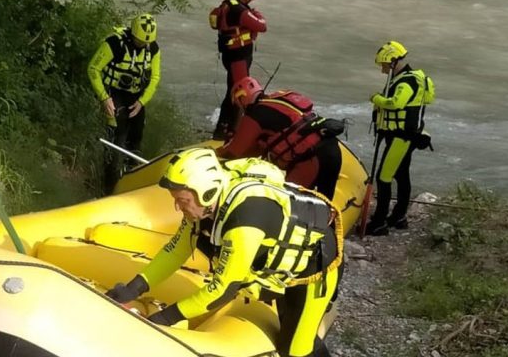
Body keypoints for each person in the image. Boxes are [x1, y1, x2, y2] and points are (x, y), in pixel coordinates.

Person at [106, 148, 341, 357]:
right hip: (279, 264)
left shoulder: (245, 221)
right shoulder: (204, 205)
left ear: (205, 193)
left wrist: (162, 319)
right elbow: (175, 251)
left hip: (314, 270)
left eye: (182, 200)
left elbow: (222, 289)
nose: (178, 207)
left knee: (295, 349)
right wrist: (133, 288)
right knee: (290, 328)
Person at [216, 76, 345, 201]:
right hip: (332, 149)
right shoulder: (278, 101)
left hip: (310, 159)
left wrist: (213, 152)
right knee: (326, 205)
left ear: (241, 100)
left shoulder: (255, 114)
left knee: (289, 205)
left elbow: (233, 153)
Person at [365, 41, 435, 236]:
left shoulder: (407, 82)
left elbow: (396, 104)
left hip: (401, 137)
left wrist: (376, 99)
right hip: (402, 135)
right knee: (401, 174)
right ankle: (399, 216)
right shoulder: (403, 78)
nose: (382, 69)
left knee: (383, 177)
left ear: (393, 61)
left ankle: (379, 222)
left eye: (384, 65)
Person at [87, 13, 161, 193]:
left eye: (147, 42)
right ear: (133, 34)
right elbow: (93, 68)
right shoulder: (114, 44)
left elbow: (155, 77)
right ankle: (108, 186)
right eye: (140, 41)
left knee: (136, 138)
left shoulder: (152, 48)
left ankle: (132, 179)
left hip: (136, 96)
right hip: (114, 93)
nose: (144, 45)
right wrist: (104, 98)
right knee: (117, 138)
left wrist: (142, 102)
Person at [209, 0, 267, 140]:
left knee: (233, 91)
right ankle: (228, 131)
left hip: (233, 55)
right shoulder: (239, 10)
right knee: (239, 93)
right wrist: (258, 14)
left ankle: (226, 128)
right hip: (238, 56)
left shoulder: (229, 4)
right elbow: (262, 26)